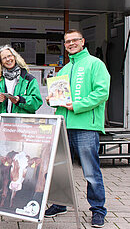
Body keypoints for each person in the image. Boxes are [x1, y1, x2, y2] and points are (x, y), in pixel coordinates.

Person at [45, 29, 110, 228]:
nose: (71, 44)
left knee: (90, 172)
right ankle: (60, 203)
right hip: (63, 126)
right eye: (67, 42)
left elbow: (102, 92)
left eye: (74, 40)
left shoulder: (95, 64)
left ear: (83, 42)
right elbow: (60, 98)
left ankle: (98, 210)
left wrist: (78, 105)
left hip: (85, 127)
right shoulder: (64, 69)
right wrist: (52, 100)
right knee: (60, 169)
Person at [0, 44, 43, 129]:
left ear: (15, 57)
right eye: (4, 58)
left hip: (24, 127)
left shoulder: (29, 79)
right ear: (0, 62)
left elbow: (37, 102)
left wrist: (20, 100)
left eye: (9, 56)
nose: (8, 59)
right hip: (3, 127)